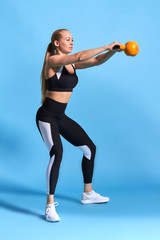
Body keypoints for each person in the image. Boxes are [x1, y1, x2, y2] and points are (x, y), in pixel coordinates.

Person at [35, 28, 122, 222]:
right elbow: (82, 55)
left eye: (73, 39)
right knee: (57, 152)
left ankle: (88, 193)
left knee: (89, 148)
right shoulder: (53, 61)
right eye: (67, 39)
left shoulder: (71, 63)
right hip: (47, 117)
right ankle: (49, 206)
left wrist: (112, 52)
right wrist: (106, 45)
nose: (71, 41)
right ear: (57, 43)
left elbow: (96, 61)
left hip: (61, 116)